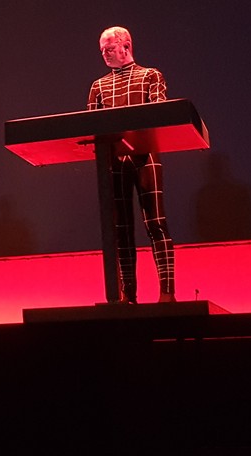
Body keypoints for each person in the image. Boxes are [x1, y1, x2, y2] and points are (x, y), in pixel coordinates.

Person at [87, 26, 175, 304]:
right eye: (102, 50)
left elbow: (160, 115)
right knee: (121, 229)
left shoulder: (150, 75)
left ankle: (167, 292)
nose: (104, 54)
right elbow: (91, 127)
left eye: (109, 48)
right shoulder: (98, 86)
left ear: (126, 45)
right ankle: (128, 294)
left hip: (146, 156)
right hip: (114, 162)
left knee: (156, 223)